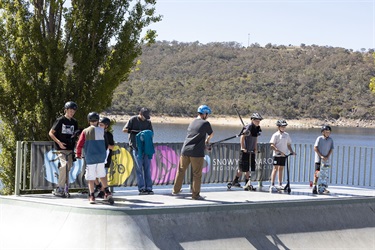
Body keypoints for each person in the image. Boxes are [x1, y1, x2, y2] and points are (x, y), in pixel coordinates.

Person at [172, 105, 214, 200]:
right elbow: (211, 134)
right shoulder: (205, 123)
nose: (207, 116)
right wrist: (207, 141)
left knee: (181, 171)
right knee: (197, 174)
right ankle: (195, 195)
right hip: (196, 152)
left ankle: (176, 190)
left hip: (185, 150)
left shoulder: (192, 122)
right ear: (204, 114)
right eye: (207, 114)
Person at [76, 112, 112, 204]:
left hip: (90, 156)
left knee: (91, 178)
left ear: (89, 121)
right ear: (97, 121)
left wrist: (78, 154)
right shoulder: (102, 130)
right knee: (102, 175)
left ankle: (91, 195)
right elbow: (106, 144)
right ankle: (107, 192)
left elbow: (79, 144)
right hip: (101, 157)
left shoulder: (85, 131)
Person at [48, 101, 79, 196]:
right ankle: (59, 188)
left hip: (70, 149)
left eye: (73, 111)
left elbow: (76, 135)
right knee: (64, 165)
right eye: (70, 110)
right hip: (61, 149)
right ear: (66, 110)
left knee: (68, 167)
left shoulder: (74, 122)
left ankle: (65, 188)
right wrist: (59, 143)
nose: (71, 112)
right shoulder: (60, 120)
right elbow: (51, 133)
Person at [122, 107, 155, 195]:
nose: (145, 118)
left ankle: (149, 187)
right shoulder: (133, 120)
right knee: (139, 168)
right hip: (136, 148)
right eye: (144, 116)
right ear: (140, 113)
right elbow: (124, 130)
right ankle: (141, 188)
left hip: (146, 148)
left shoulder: (148, 122)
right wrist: (135, 132)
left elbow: (152, 133)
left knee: (147, 169)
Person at [230, 112, 263, 190]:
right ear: (252, 120)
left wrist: (255, 148)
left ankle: (246, 182)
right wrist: (243, 147)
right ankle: (237, 181)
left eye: (259, 121)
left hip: (251, 150)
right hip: (245, 150)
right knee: (243, 167)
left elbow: (255, 138)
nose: (258, 122)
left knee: (248, 168)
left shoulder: (257, 128)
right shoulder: (248, 127)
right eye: (256, 120)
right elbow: (242, 136)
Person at [269, 120, 296, 192]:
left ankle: (280, 184)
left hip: (284, 155)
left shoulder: (287, 135)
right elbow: (272, 145)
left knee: (281, 169)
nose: (283, 128)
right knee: (275, 168)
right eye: (282, 127)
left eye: (284, 127)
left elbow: (288, 144)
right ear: (279, 127)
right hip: (277, 155)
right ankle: (272, 184)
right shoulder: (275, 135)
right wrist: (278, 151)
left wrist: (292, 152)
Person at [94, 117, 115, 198]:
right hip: (96, 156)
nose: (99, 126)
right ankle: (98, 186)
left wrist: (105, 146)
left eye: (101, 125)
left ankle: (103, 191)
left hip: (106, 158)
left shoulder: (109, 135)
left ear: (106, 126)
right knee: (93, 173)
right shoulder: (95, 133)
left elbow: (112, 146)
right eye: (99, 124)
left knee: (103, 174)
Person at [313, 125, 334, 194]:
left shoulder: (330, 140)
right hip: (318, 160)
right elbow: (315, 148)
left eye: (329, 132)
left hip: (326, 160)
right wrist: (321, 156)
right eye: (326, 132)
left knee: (324, 175)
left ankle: (323, 188)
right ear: (323, 132)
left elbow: (331, 149)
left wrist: (327, 156)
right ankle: (314, 186)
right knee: (317, 173)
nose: (328, 133)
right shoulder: (319, 138)